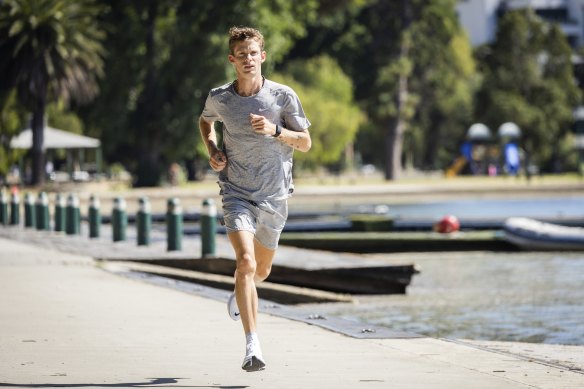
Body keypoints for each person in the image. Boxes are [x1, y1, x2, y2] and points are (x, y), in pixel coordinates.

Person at [198, 26, 312, 372]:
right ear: (232, 60)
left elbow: (305, 142)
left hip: (274, 196)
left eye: (253, 53)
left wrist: (276, 130)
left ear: (262, 56)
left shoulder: (282, 97)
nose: (248, 59)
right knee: (245, 263)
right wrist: (213, 149)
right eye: (241, 54)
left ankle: (240, 294)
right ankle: (253, 346)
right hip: (235, 192)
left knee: (261, 270)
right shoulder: (220, 97)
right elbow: (205, 121)